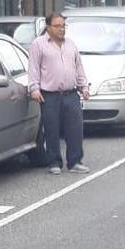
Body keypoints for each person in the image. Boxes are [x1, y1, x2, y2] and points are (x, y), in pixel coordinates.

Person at [28, 13, 90, 175]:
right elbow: (33, 68)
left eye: (63, 26)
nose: (61, 29)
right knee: (52, 129)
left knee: (75, 128)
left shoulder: (71, 45)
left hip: (71, 93)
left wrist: (84, 87)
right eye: (57, 26)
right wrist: (34, 89)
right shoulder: (38, 45)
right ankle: (54, 162)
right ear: (48, 27)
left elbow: (78, 67)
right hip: (50, 94)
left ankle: (75, 161)